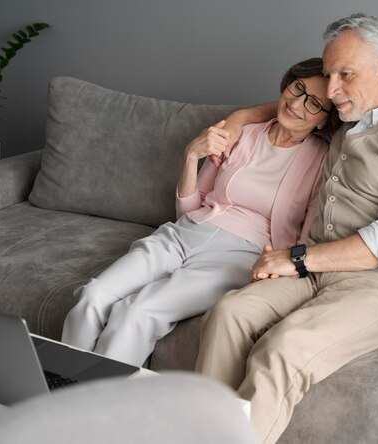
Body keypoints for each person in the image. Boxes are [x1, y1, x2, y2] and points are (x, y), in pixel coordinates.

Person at [195, 13, 378, 444]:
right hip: (316, 271)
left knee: (281, 349)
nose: (331, 90)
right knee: (228, 313)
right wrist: (243, 116)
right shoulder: (350, 115)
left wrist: (294, 259)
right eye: (328, 74)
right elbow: (290, 111)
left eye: (344, 74)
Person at [60, 58, 341, 367]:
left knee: (137, 313)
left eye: (314, 103)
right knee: (93, 297)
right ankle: (59, 393)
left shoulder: (322, 162)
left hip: (238, 257)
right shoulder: (241, 133)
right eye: (298, 88)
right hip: (183, 234)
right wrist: (192, 155)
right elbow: (189, 209)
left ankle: (96, 411)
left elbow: (306, 236)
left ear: (323, 121)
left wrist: (281, 269)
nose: (298, 103)